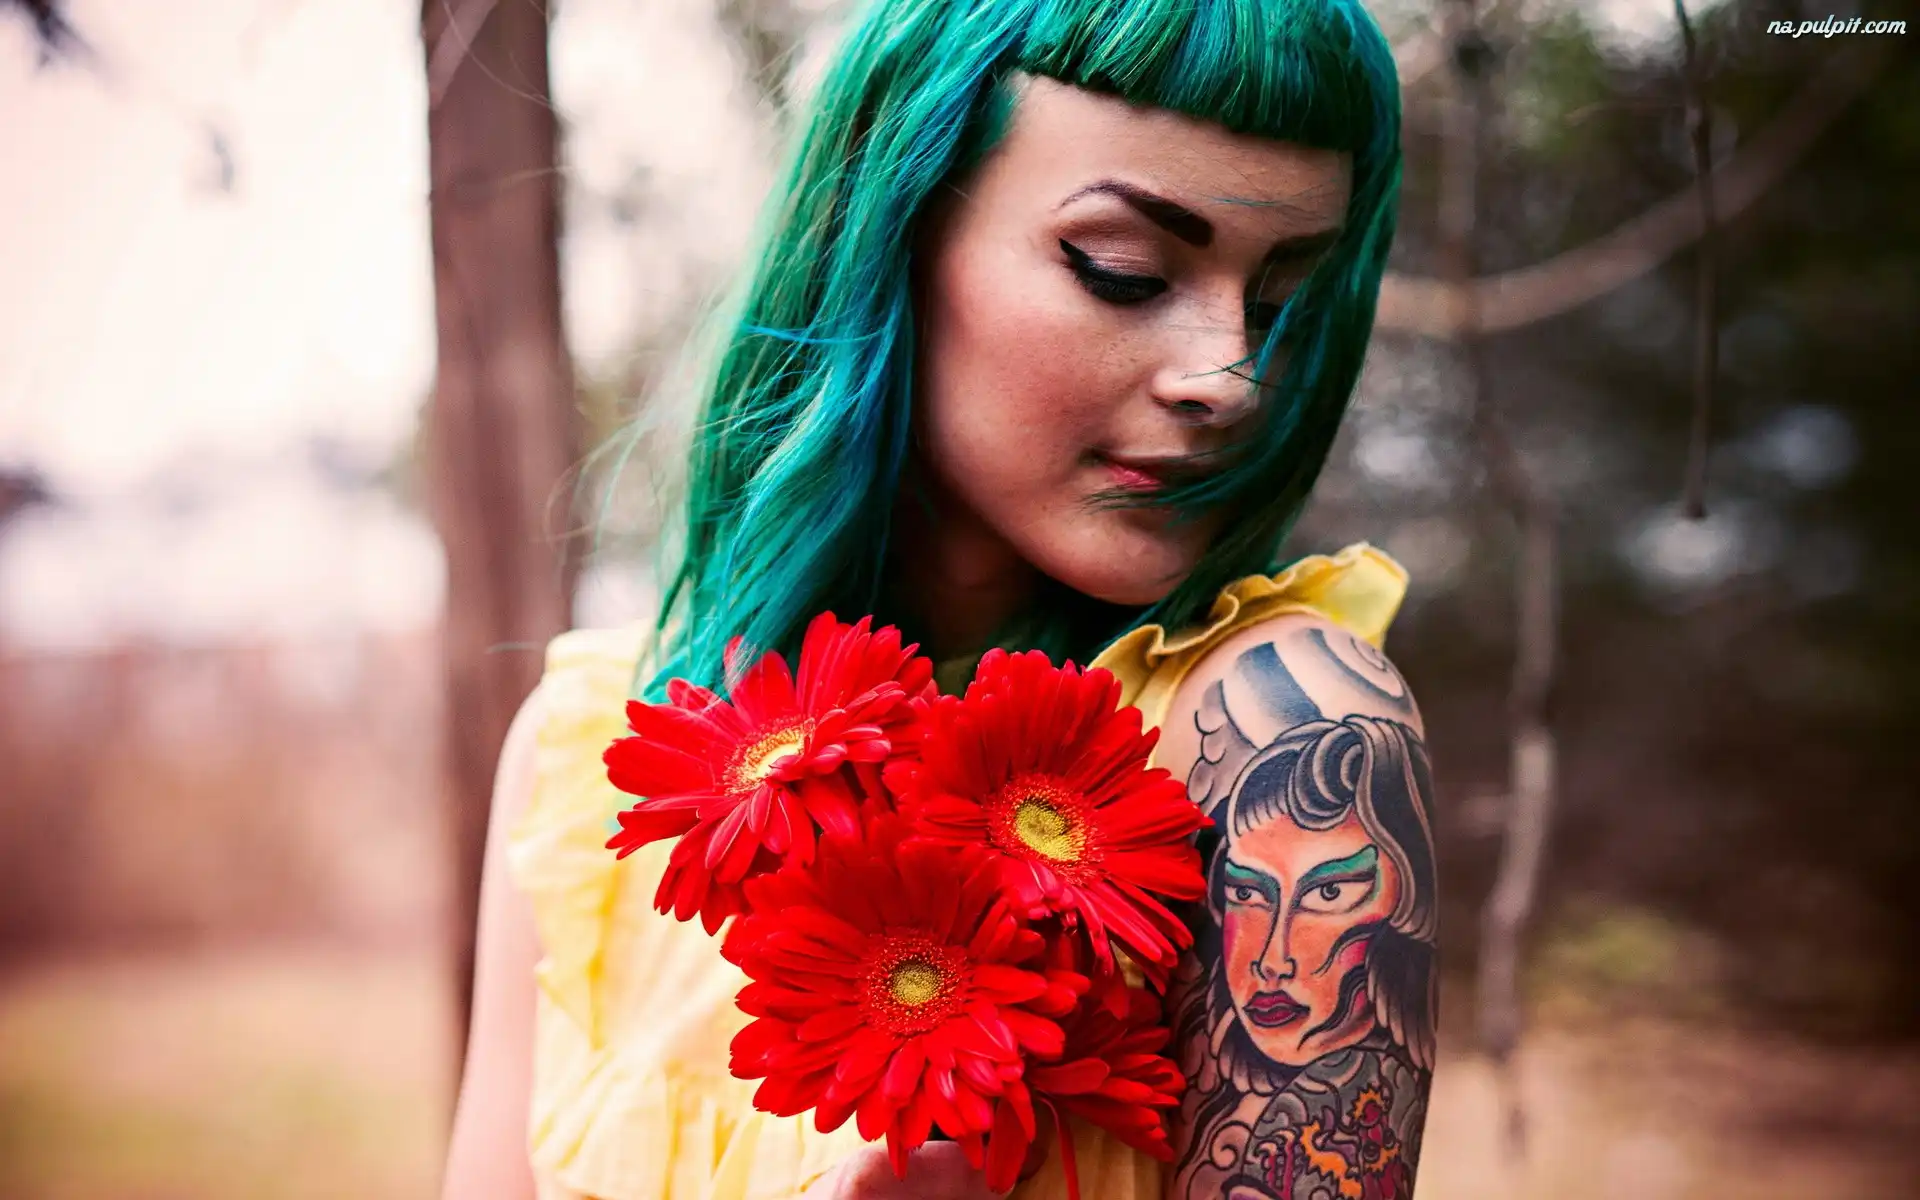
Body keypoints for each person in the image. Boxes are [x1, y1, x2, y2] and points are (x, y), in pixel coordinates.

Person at [439, 0, 1435, 1198]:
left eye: (1280, 303)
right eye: (1124, 273)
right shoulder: (589, 751)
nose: (1230, 376)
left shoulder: (1287, 733)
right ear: (892, 235)